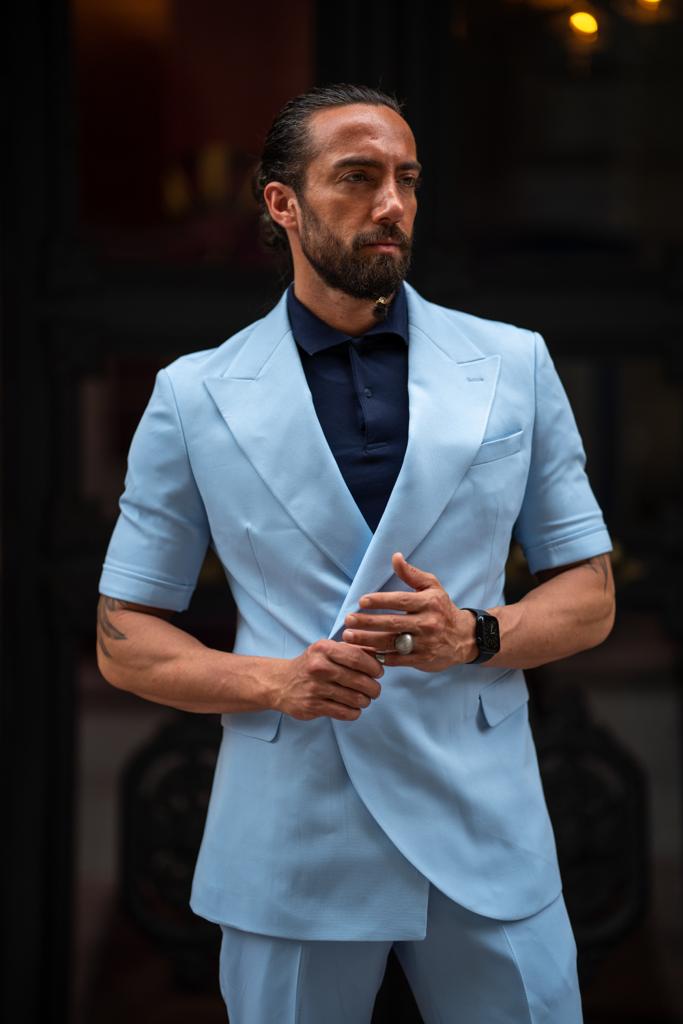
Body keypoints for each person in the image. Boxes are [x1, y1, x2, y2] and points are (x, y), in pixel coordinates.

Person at [97, 84, 615, 1023]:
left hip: (483, 821)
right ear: (281, 203)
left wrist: (478, 633)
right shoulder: (194, 394)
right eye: (357, 178)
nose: (391, 205)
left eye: (406, 180)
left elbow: (590, 593)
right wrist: (272, 684)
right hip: (294, 825)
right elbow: (123, 636)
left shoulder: (512, 363)